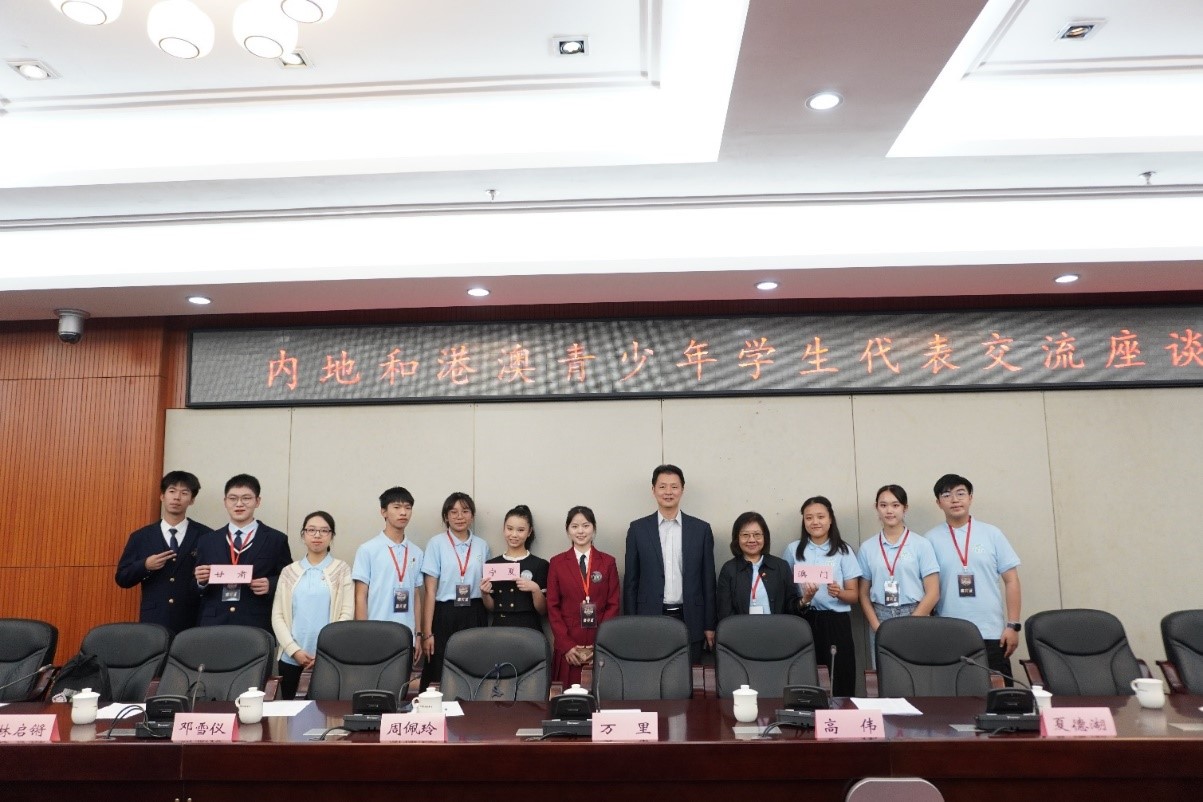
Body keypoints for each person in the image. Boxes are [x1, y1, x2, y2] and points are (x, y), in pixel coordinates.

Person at [923, 473, 1022, 682]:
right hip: (949, 632)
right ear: (938, 503)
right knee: (953, 693)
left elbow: (1011, 580)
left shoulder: (992, 534)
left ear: (970, 498)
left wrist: (1013, 625)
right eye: (947, 495)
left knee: (999, 694)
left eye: (960, 493)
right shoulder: (929, 540)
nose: (955, 500)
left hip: (992, 632)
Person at [623, 464, 717, 664]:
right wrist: (631, 623)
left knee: (689, 675)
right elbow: (631, 582)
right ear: (653, 490)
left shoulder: (701, 530)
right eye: (662, 486)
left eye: (674, 486)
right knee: (651, 673)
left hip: (690, 617)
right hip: (649, 617)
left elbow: (708, 581)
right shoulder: (638, 529)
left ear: (682, 489)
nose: (668, 492)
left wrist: (709, 624)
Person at [781, 496, 862, 696]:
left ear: (830, 519)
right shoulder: (793, 550)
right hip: (803, 620)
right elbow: (786, 590)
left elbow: (854, 595)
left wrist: (839, 592)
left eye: (820, 516)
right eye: (809, 518)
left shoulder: (843, 550)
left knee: (840, 676)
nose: (815, 522)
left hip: (836, 622)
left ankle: (840, 713)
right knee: (805, 677)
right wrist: (805, 598)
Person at [271, 511, 354, 699]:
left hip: (329, 657)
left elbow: (346, 613)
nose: (317, 535)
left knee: (326, 711)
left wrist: (325, 650)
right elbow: (278, 616)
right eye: (311, 530)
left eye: (324, 531)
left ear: (331, 536)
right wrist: (294, 650)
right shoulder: (289, 571)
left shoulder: (341, 569)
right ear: (303, 535)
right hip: (291, 658)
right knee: (291, 712)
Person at [115, 470, 210, 634]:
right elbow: (122, 578)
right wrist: (145, 565)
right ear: (162, 496)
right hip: (154, 619)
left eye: (184, 493)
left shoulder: (206, 535)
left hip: (192, 618)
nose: (177, 497)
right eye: (172, 491)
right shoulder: (141, 536)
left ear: (192, 500)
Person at [194, 474, 292, 632]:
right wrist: (201, 581)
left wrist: (271, 584)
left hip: (256, 622)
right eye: (233, 498)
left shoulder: (276, 539)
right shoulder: (207, 541)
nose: (239, 504)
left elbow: (289, 578)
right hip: (214, 622)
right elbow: (193, 584)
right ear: (225, 502)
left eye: (246, 498)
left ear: (257, 501)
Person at [857, 484, 939, 658]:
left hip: (916, 615)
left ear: (905, 508)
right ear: (876, 508)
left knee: (915, 670)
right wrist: (876, 625)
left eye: (895, 505)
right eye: (883, 505)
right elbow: (863, 594)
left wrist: (910, 625)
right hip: (881, 616)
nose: (889, 511)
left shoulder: (921, 544)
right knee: (884, 671)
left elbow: (933, 593)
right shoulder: (867, 547)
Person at [419, 492, 489, 689]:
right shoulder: (436, 543)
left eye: (465, 511)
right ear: (446, 516)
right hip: (445, 614)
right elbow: (430, 591)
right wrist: (427, 633)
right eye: (454, 512)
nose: (460, 517)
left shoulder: (482, 545)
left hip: (475, 612)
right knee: (440, 668)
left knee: (473, 666)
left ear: (472, 516)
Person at [546, 506, 621, 686]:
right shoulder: (557, 563)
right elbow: (552, 606)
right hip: (569, 645)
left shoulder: (608, 562)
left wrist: (600, 644)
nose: (580, 531)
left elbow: (614, 604)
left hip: (599, 641)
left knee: (600, 694)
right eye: (575, 526)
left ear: (594, 528)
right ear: (568, 530)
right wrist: (566, 645)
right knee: (567, 697)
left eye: (586, 525)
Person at [351, 487, 425, 658]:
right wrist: (363, 634)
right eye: (397, 507)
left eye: (407, 507)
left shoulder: (416, 552)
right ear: (383, 512)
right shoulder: (367, 549)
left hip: (407, 636)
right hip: (375, 634)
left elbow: (416, 596)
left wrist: (418, 634)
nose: (403, 512)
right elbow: (360, 596)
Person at [716, 511, 798, 619]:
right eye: (745, 535)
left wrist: (804, 600)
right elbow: (724, 612)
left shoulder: (781, 566)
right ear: (737, 538)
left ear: (765, 537)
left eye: (757, 534)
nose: (751, 540)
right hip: (740, 629)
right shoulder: (729, 569)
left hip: (777, 628)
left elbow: (791, 608)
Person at [481, 505, 548, 630]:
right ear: (504, 529)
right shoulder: (492, 565)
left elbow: (543, 610)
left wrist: (535, 590)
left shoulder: (540, 564)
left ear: (529, 532)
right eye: (509, 529)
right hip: (500, 627)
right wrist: (485, 594)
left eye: (520, 530)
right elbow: (491, 608)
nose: (514, 534)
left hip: (530, 629)